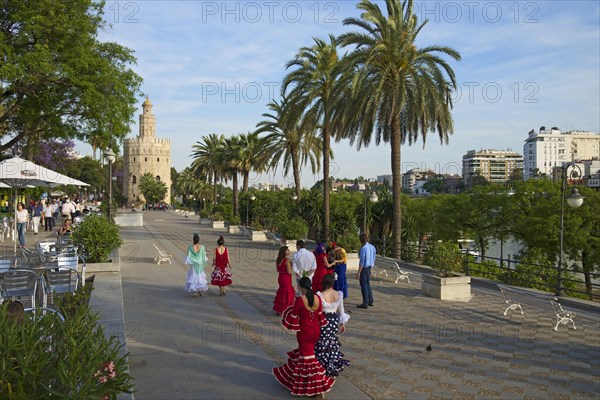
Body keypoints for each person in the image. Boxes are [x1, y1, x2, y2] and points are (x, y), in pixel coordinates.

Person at [273, 277, 334, 397]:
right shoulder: (317, 298)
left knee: (308, 360)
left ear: (301, 287)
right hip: (316, 331)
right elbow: (321, 316)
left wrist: (287, 315)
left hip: (304, 332)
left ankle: (316, 387)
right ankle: (298, 381)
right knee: (304, 355)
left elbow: (294, 316)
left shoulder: (300, 300)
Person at [315, 274, 350, 377]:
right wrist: (342, 324)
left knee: (321, 342)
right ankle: (332, 363)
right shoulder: (338, 294)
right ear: (332, 283)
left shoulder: (320, 295)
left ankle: (321, 364)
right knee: (331, 342)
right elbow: (341, 311)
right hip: (334, 321)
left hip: (324, 321)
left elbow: (318, 311)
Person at [273, 246, 295, 315]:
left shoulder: (278, 260)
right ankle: (286, 309)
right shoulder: (287, 260)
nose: (289, 251)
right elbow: (289, 272)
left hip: (281, 277)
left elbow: (277, 270)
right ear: (285, 252)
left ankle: (279, 309)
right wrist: (291, 266)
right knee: (287, 293)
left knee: (281, 292)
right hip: (286, 277)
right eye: (287, 250)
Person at [356, 233, 376, 309]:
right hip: (369, 267)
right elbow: (373, 258)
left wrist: (358, 272)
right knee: (367, 284)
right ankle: (370, 300)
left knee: (363, 285)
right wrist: (371, 268)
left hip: (364, 268)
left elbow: (362, 261)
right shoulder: (372, 247)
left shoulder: (363, 248)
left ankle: (365, 302)